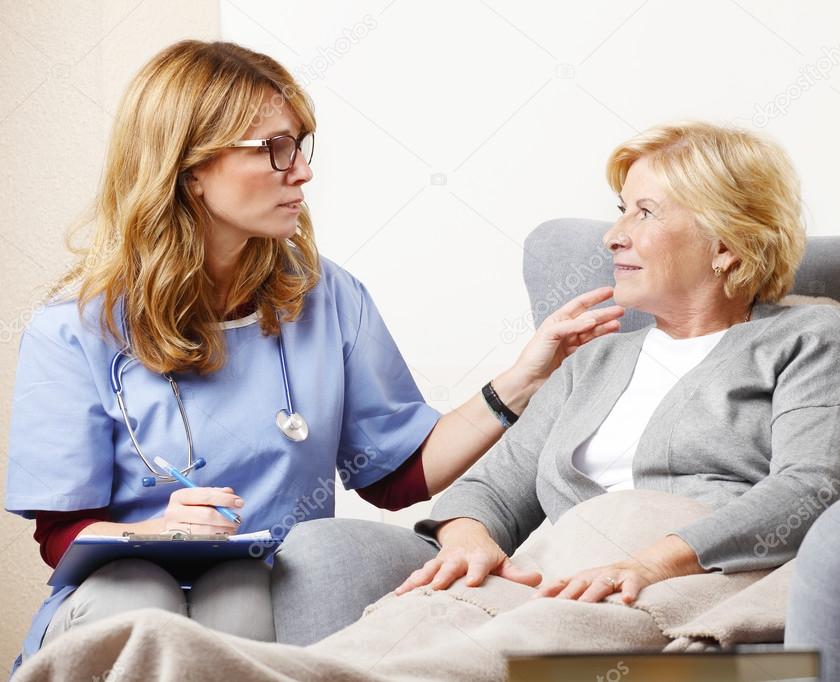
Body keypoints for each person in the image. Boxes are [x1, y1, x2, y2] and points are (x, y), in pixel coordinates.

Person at [2, 40, 623, 669]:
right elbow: (61, 535)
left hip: (259, 585)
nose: (301, 169)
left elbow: (395, 474)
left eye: (301, 143)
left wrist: (527, 374)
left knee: (239, 596)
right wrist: (155, 533)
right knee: (140, 594)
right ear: (190, 169)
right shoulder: (74, 330)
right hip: (122, 587)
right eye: (273, 148)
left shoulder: (325, 296)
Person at [269, 121, 840, 646]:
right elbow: (492, 485)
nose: (613, 234)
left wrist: (652, 561)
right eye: (621, 210)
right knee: (384, 640)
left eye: (644, 212)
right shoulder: (594, 361)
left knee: (470, 660)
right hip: (561, 574)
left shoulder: (810, 338)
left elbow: (812, 489)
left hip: (684, 579)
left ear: (726, 243)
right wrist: (467, 538)